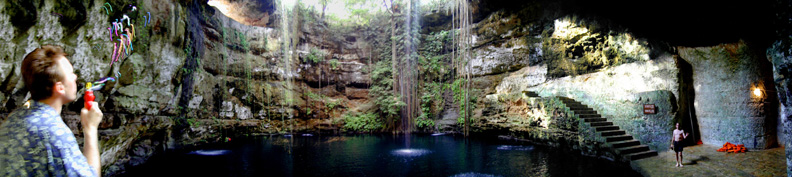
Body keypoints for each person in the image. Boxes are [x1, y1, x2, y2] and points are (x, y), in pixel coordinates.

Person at [0, 45, 103, 176]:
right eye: (71, 73)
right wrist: (90, 128)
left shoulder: (14, 117)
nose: (75, 77)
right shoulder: (54, 131)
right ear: (60, 88)